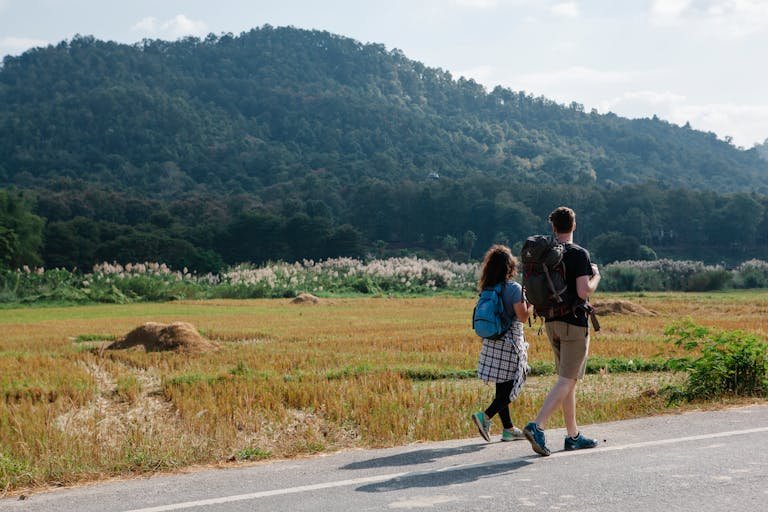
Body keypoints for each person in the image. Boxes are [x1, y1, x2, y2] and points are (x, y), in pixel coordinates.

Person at [523, 206, 601, 456]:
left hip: (550, 322)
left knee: (567, 380)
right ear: (574, 226)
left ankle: (573, 435)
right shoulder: (579, 254)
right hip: (574, 323)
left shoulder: (545, 253)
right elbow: (583, 291)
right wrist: (596, 276)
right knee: (568, 379)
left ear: (553, 227)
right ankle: (537, 425)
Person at [472, 244, 533, 443]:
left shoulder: (488, 288)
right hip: (510, 343)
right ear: (510, 266)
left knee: (502, 385)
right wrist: (530, 304)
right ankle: (485, 416)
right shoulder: (513, 288)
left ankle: (507, 429)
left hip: (493, 341)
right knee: (512, 386)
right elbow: (522, 317)